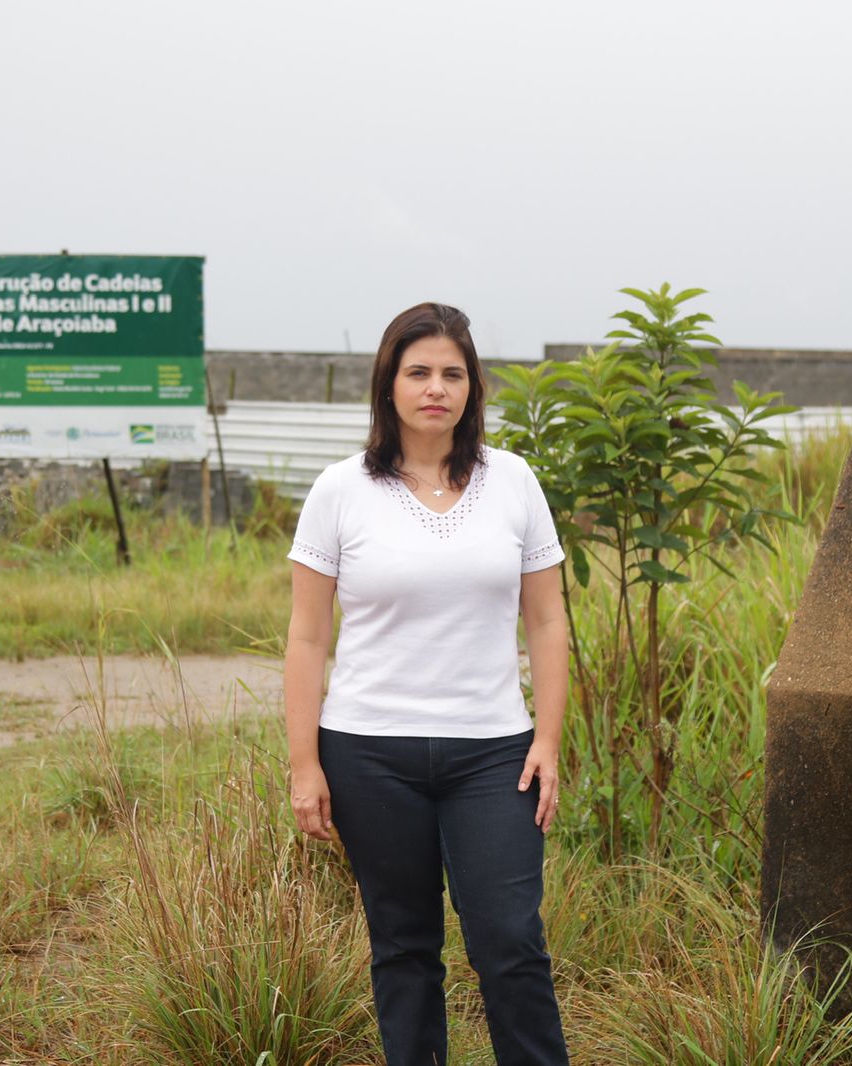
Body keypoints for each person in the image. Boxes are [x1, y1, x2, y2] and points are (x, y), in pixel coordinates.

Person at [283, 302, 570, 1066]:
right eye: (418, 372)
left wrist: (547, 737)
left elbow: (547, 622)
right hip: (368, 753)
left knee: (510, 940)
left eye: (452, 372)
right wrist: (304, 764)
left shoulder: (513, 482)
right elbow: (308, 637)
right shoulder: (340, 490)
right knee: (404, 947)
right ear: (389, 385)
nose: (435, 387)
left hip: (494, 755)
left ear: (473, 387)